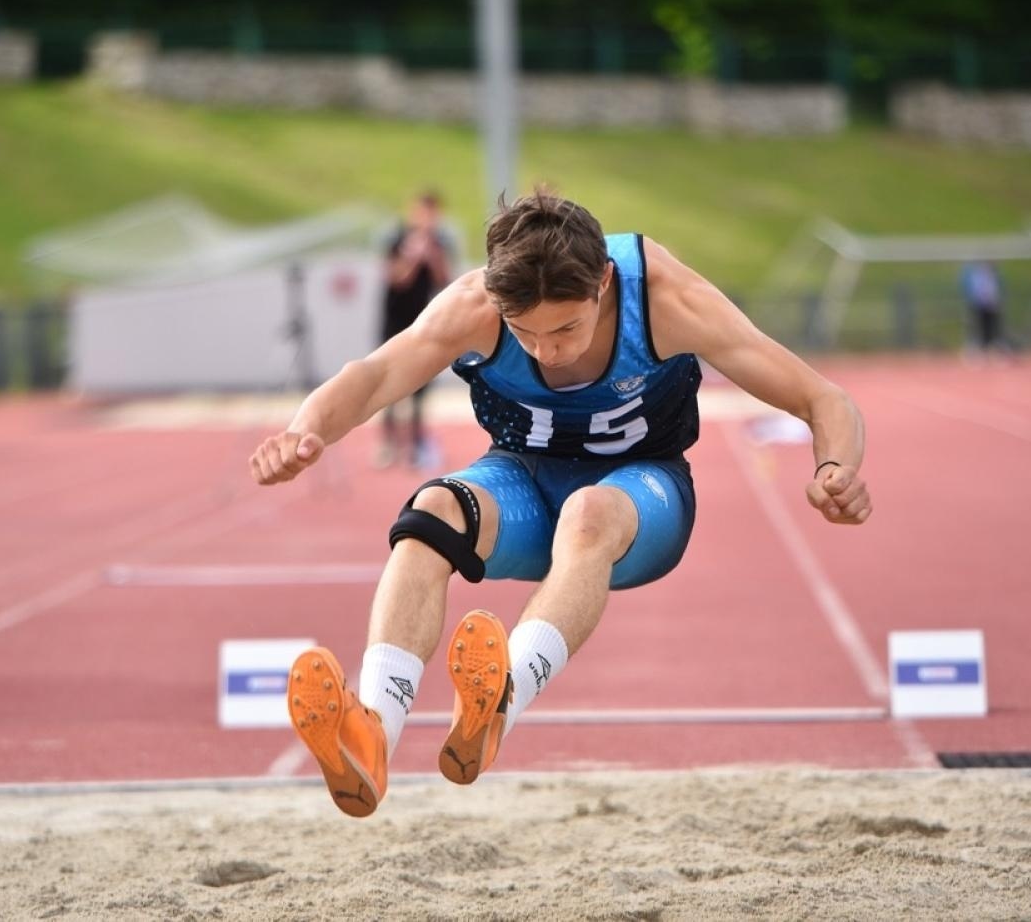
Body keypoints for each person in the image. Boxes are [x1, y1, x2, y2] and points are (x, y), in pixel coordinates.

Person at [250, 190, 871, 817]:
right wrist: (306, 433)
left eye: (567, 328)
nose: (547, 351)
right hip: (522, 479)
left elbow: (822, 399)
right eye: (526, 334)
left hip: (641, 495)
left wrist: (834, 468)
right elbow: (376, 375)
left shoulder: (663, 300)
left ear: (603, 282)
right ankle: (372, 733)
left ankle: (502, 697)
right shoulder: (475, 305)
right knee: (432, 510)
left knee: (588, 513)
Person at [374, 190, 454, 468]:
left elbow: (445, 280)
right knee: (387, 382)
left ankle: (418, 444)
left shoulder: (440, 242)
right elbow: (395, 278)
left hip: (423, 322)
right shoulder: (398, 238)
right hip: (394, 320)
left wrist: (431, 256)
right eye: (423, 211)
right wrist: (412, 256)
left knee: (421, 384)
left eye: (433, 213)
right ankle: (388, 443)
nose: (428, 218)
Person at [960, 260, 1004, 356]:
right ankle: (976, 353)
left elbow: (995, 292)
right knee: (977, 330)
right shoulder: (975, 277)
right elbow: (973, 291)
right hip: (978, 307)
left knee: (993, 331)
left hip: (992, 307)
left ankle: (994, 352)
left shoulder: (994, 277)